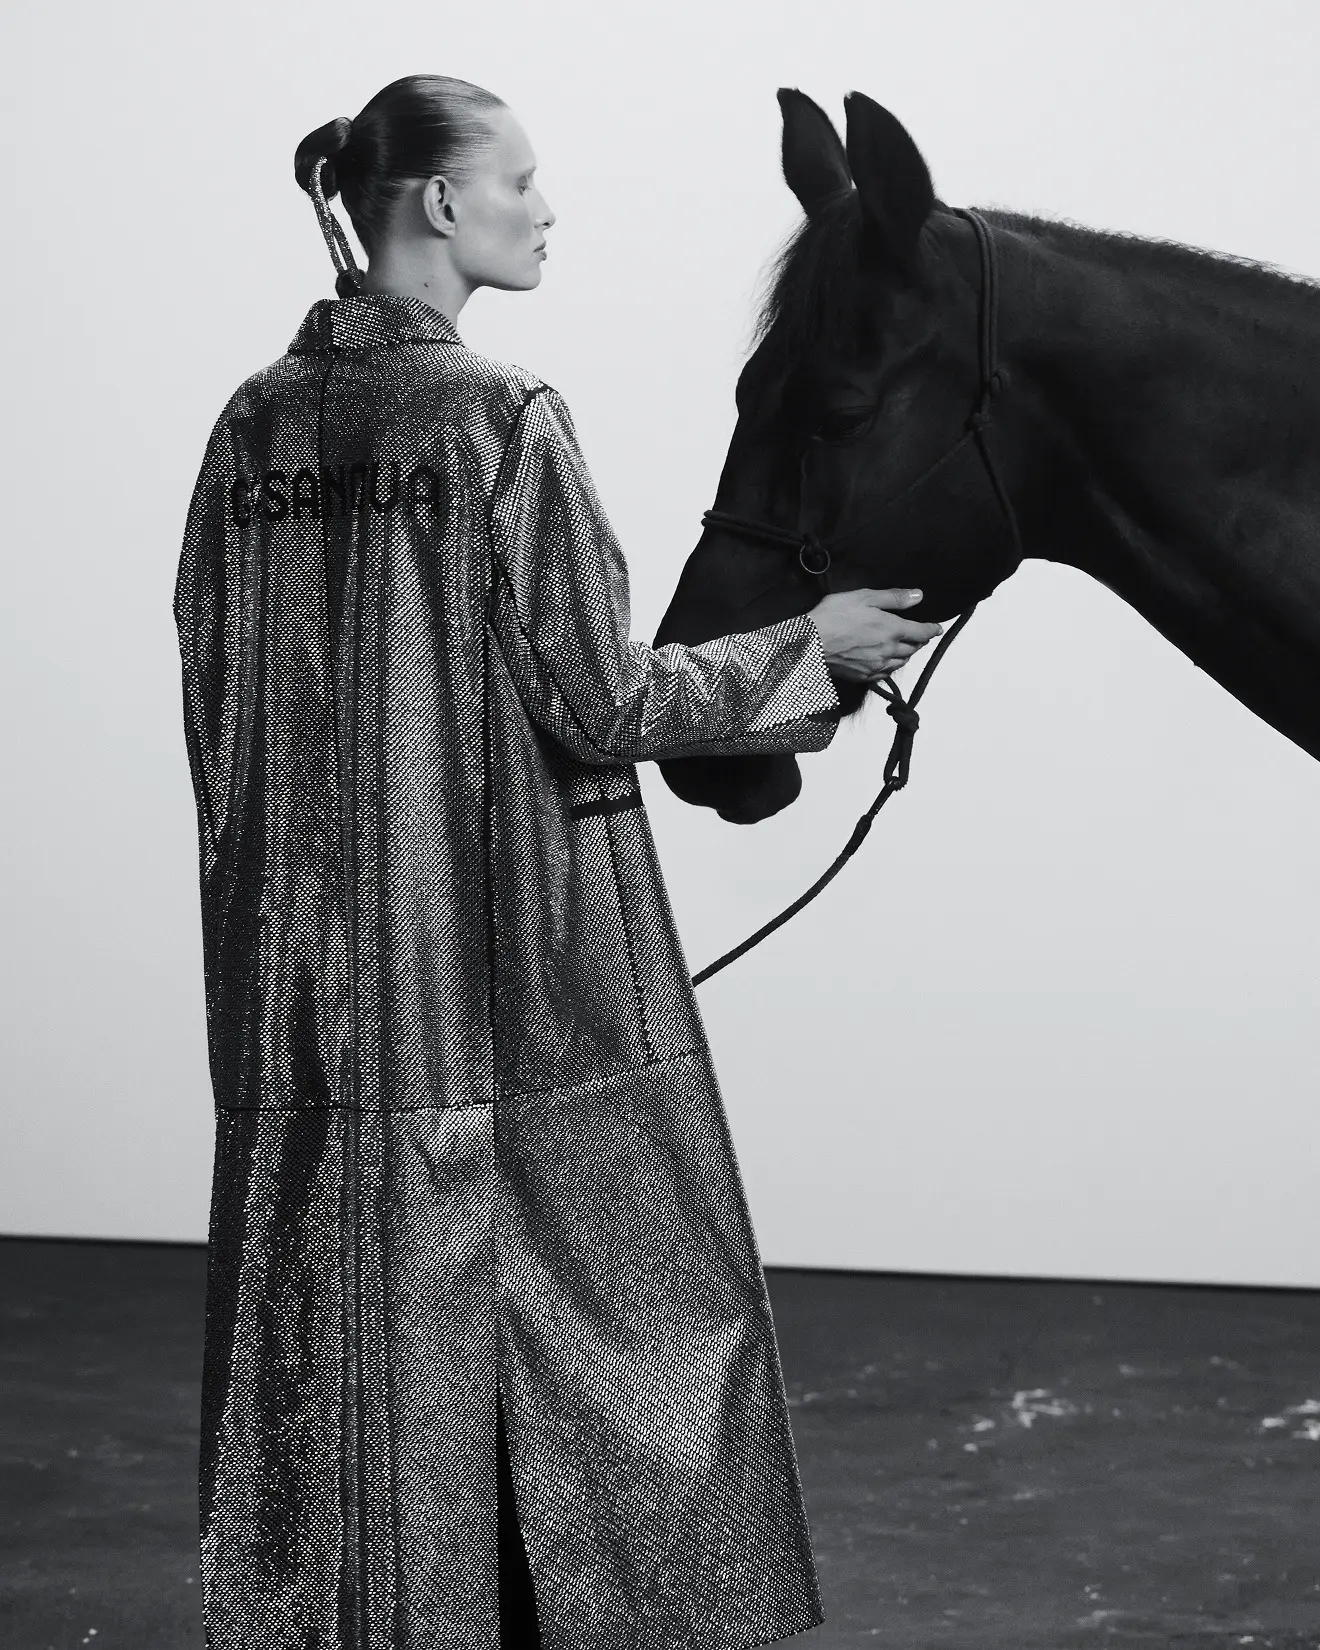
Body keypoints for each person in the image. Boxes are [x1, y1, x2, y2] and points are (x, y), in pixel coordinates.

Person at [171, 72, 940, 1650]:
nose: (544, 207)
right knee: (608, 1309)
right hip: (507, 980)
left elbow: (211, 690)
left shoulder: (249, 431)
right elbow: (601, 698)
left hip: (300, 1007)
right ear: (441, 202)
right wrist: (813, 647)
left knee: (345, 1338)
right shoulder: (498, 418)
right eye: (519, 179)